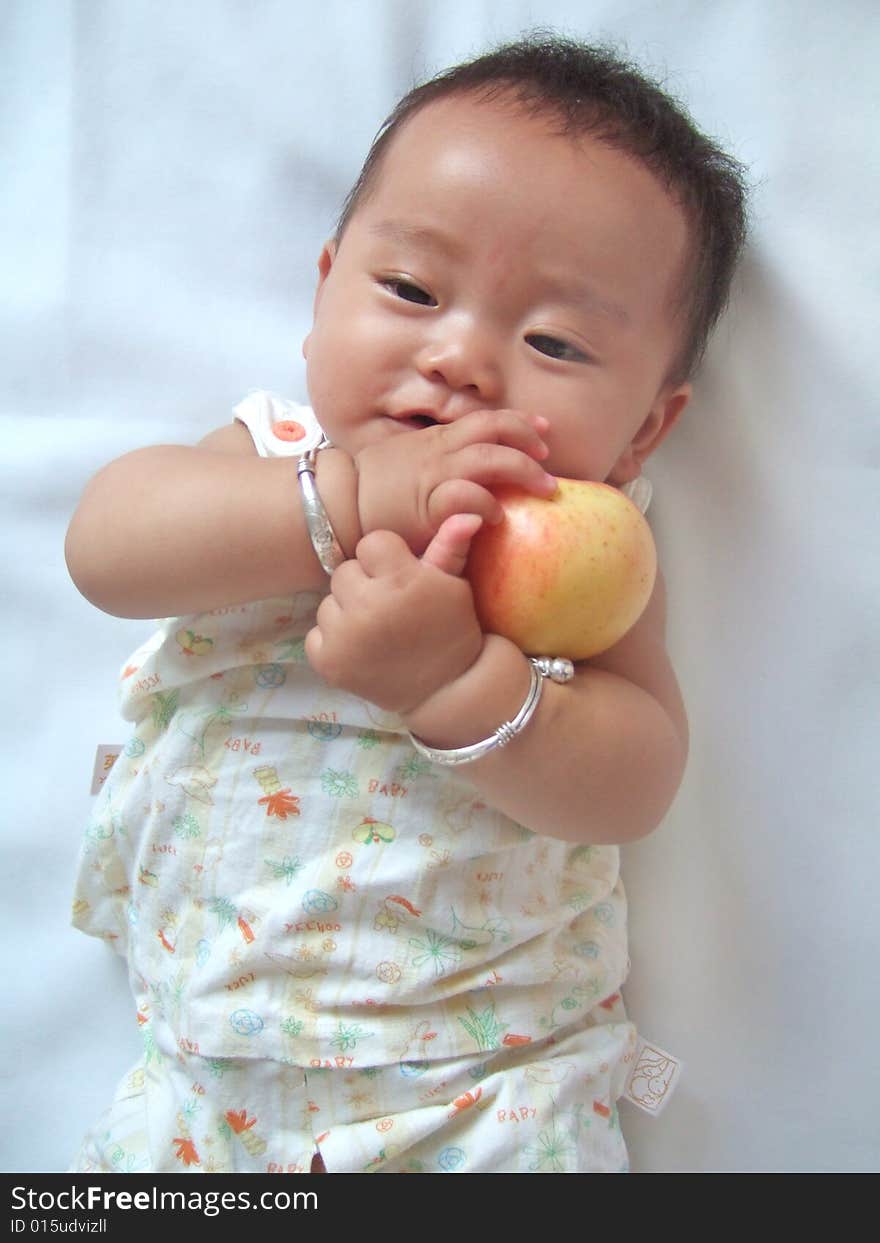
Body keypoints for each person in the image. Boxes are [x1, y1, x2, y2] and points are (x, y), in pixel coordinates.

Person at [65, 35, 747, 1174]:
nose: (462, 359)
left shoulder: (594, 544)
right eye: (411, 290)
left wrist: (455, 681)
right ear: (325, 286)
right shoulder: (274, 454)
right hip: (197, 1089)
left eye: (554, 342)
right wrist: (349, 494)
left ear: (644, 428)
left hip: (484, 1098)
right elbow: (108, 550)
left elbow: (636, 778)